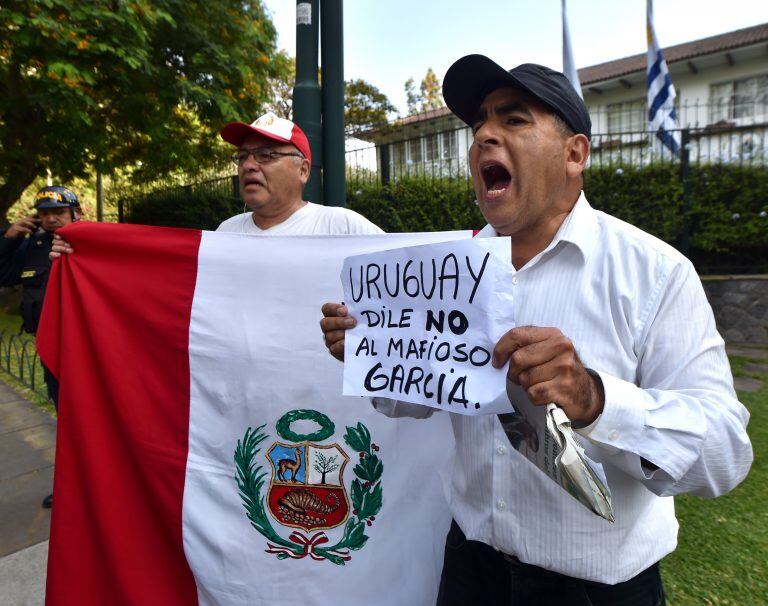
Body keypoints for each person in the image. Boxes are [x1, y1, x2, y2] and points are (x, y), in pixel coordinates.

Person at [320, 56, 753, 606]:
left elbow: (724, 455)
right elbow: (415, 401)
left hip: (598, 590)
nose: (484, 136)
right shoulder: (451, 270)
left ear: (575, 154)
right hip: (471, 571)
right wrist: (367, 351)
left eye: (514, 119)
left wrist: (594, 399)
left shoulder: (654, 272)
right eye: (478, 123)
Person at [0, 185, 81, 509]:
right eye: (44, 214)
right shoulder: (30, 246)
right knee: (65, 419)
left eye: (58, 213)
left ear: (76, 212)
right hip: (50, 349)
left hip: (85, 349)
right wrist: (10, 238)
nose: (51, 220)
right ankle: (70, 486)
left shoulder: (90, 241)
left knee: (90, 419)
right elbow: (4, 275)